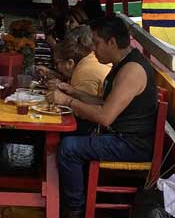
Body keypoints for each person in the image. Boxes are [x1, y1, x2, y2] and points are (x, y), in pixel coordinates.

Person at [46, 16, 157, 218]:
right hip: (121, 136)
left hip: (132, 143)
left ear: (112, 42)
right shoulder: (122, 63)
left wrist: (68, 101)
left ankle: (74, 209)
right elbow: (105, 102)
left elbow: (105, 116)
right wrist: (72, 91)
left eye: (96, 43)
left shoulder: (132, 70)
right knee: (67, 139)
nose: (93, 49)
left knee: (69, 148)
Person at [37, 26, 110, 96]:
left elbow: (83, 105)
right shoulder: (88, 60)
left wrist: (62, 95)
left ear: (70, 63)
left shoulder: (84, 72)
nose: (57, 68)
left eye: (57, 63)